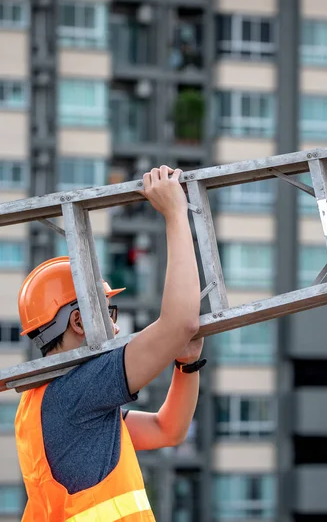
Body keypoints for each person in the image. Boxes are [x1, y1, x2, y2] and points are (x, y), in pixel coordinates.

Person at [15, 166, 204, 522]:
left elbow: (169, 429)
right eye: (109, 313)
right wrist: (176, 213)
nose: (116, 328)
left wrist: (187, 364)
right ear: (78, 321)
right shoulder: (75, 392)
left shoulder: (46, 400)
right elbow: (181, 322)